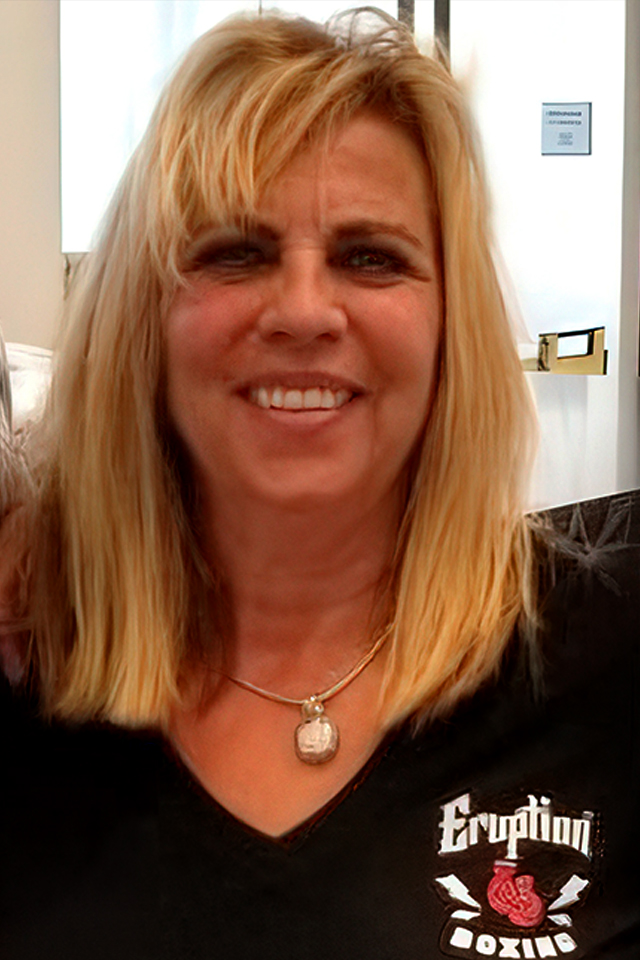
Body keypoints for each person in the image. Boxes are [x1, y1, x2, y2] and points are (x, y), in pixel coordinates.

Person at [1, 8, 638, 959]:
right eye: (235, 253)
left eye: (370, 257)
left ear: (448, 330)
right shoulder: (30, 649)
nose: (304, 309)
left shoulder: (607, 650)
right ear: (144, 322)